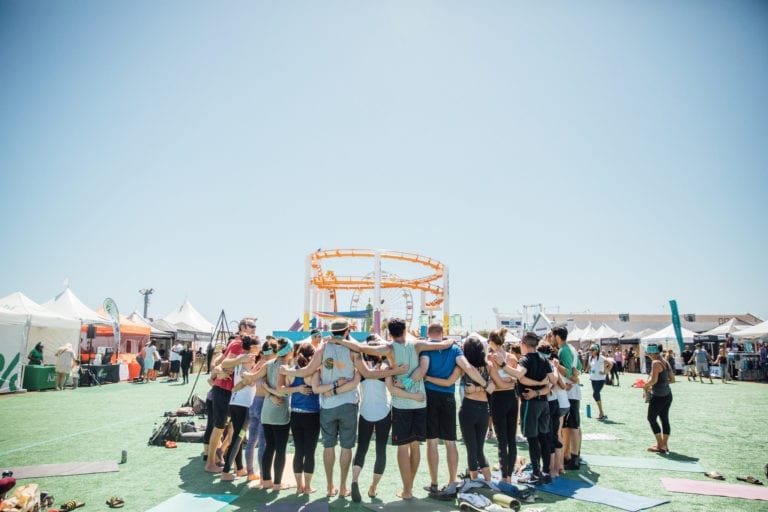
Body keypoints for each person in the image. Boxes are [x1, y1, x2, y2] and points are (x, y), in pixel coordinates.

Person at [280, 318, 364, 498]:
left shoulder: (323, 349)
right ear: (347, 330)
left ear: (331, 332)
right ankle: (342, 487)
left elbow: (306, 371)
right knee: (346, 447)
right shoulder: (353, 349)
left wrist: (287, 371)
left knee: (329, 446)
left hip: (327, 405)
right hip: (348, 402)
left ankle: (329, 486)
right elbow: (363, 373)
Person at [350, 334, 422, 503]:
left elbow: (352, 384)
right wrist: (413, 396)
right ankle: (373, 488)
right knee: (380, 451)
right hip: (383, 413)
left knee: (361, 449)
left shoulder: (361, 369)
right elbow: (393, 390)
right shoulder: (386, 369)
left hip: (365, 412)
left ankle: (354, 480)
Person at [422, 323, 491, 493]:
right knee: (450, 442)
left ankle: (434, 483)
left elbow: (422, 369)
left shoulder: (425, 349)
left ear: (429, 334)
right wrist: (484, 383)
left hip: (430, 397)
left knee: (432, 442)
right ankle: (452, 481)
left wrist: (426, 378)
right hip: (448, 398)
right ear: (443, 333)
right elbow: (467, 367)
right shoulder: (454, 349)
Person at [204, 318, 255, 473]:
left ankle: (227, 459)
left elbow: (218, 363)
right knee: (219, 427)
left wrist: (218, 370)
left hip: (230, 390)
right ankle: (211, 462)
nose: (254, 329)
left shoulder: (241, 343)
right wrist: (219, 371)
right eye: (252, 326)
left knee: (232, 428)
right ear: (243, 327)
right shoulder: (238, 343)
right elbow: (223, 362)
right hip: (225, 390)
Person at [516, 332, 558, 485]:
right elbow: (554, 381)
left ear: (524, 344)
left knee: (533, 439)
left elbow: (519, 376)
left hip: (530, 404)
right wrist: (541, 388)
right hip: (544, 403)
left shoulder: (525, 359)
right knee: (544, 437)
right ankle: (545, 472)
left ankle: (535, 474)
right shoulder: (543, 360)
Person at [220, 335, 262, 481]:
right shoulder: (250, 358)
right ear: (253, 347)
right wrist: (256, 375)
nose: (260, 349)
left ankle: (239, 468)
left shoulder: (241, 357)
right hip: (244, 404)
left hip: (235, 402)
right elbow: (249, 381)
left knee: (238, 436)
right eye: (259, 346)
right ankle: (226, 472)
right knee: (238, 437)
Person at [286, 342, 321, 494]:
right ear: (312, 356)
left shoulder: (291, 371)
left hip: (295, 414)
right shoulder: (314, 372)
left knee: (299, 450)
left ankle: (299, 486)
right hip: (312, 414)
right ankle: (307, 486)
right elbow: (316, 389)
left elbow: (285, 390)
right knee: (309, 451)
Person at [551, 326, 582, 471]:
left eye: (552, 336)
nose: (551, 339)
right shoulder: (572, 349)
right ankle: (570, 455)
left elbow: (569, 372)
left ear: (557, 337)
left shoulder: (563, 350)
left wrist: (571, 380)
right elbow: (579, 368)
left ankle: (572, 457)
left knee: (571, 426)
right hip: (572, 392)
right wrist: (575, 377)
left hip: (568, 393)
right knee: (572, 426)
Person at [643, 344, 674, 453]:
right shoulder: (665, 361)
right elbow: (672, 379)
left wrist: (646, 385)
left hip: (658, 396)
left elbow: (654, 380)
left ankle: (660, 445)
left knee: (651, 418)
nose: (648, 356)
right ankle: (664, 445)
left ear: (651, 353)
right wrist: (663, 383)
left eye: (648, 354)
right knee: (664, 419)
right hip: (668, 395)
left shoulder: (655, 362)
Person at [588, 345, 612, 420]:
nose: (591, 351)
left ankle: (601, 413)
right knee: (596, 395)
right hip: (593, 379)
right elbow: (591, 367)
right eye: (590, 350)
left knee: (595, 394)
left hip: (600, 379)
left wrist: (605, 372)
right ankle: (601, 413)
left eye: (592, 350)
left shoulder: (601, 357)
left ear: (596, 350)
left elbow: (610, 364)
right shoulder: (590, 358)